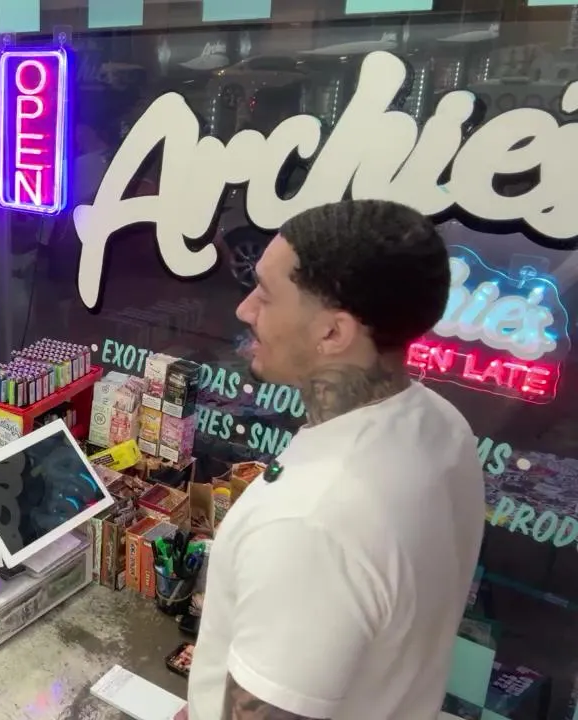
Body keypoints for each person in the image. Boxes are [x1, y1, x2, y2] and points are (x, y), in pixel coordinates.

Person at [186, 200, 484, 719]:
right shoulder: (442, 425)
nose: (245, 310)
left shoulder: (311, 523)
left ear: (333, 334)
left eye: (266, 295)